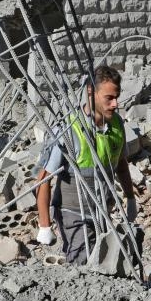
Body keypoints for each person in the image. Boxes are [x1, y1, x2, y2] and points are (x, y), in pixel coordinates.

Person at [35, 64, 138, 264]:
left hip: (103, 211)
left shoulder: (117, 124)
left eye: (117, 97)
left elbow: (121, 164)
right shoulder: (70, 128)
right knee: (82, 261)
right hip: (73, 213)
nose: (115, 103)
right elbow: (43, 179)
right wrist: (44, 225)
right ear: (91, 92)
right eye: (109, 98)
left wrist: (130, 197)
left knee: (107, 261)